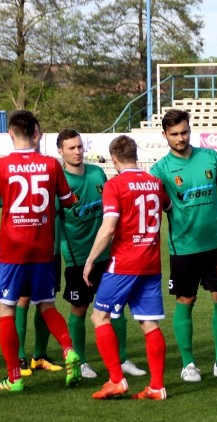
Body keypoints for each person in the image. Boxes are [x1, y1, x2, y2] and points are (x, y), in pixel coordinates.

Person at [0, 110, 80, 393]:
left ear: (10, 133)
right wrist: (73, 199)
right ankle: (69, 349)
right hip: (44, 249)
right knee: (46, 305)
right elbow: (69, 201)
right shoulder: (51, 165)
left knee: (6, 308)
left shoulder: (0, 166)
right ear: (37, 133)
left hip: (13, 251)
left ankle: (14, 377)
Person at [150, 109, 217, 383]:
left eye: (184, 132)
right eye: (174, 134)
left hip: (216, 245)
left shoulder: (210, 157)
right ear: (165, 135)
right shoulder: (160, 170)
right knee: (185, 301)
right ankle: (189, 363)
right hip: (184, 248)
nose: (180, 138)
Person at [86, 135, 171, 401]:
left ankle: (115, 380)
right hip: (150, 262)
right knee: (149, 323)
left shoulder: (115, 185)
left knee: (99, 317)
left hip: (123, 263)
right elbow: (168, 206)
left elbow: (109, 227)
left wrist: (90, 260)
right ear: (136, 154)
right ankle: (157, 386)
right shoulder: (155, 183)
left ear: (114, 159)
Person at [56, 128, 146, 380]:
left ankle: (122, 358)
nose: (77, 152)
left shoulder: (97, 173)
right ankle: (82, 361)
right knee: (79, 309)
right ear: (60, 151)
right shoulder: (60, 182)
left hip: (107, 255)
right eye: (71, 148)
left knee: (115, 308)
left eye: (79, 147)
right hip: (77, 258)